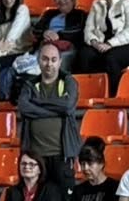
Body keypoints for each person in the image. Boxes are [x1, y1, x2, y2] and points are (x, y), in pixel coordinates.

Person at [12, 43, 81, 185]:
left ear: (60, 62)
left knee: (64, 198)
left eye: (53, 60)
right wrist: (56, 110)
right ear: (38, 60)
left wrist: (37, 103)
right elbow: (24, 108)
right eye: (45, 59)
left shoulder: (69, 82)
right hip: (35, 158)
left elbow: (67, 106)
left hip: (62, 156)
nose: (49, 64)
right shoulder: (29, 85)